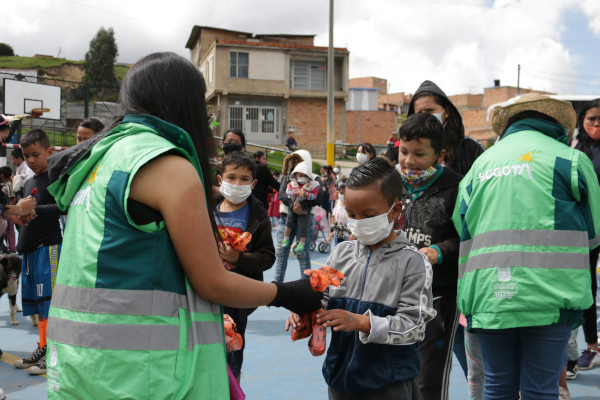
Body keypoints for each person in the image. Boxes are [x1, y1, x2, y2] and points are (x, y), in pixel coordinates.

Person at [43, 52, 323, 399]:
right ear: (185, 105)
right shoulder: (164, 163)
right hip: (142, 374)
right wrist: (289, 293)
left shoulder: (100, 160)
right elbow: (212, 283)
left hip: (80, 364)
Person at [452, 93, 600, 399]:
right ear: (559, 125)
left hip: (488, 293)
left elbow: (461, 224)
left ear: (509, 126)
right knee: (541, 390)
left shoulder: (481, 164)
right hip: (551, 294)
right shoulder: (570, 159)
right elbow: (594, 232)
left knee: (496, 386)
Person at [286, 158, 436, 399]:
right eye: (352, 214)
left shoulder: (413, 262)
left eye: (369, 215)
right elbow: (321, 296)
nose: (359, 222)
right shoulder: (340, 253)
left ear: (395, 211)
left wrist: (362, 323)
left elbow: (414, 326)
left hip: (388, 385)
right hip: (340, 378)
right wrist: (304, 310)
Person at [397, 113, 462, 400]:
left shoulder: (456, 187)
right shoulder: (390, 183)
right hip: (393, 295)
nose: (409, 161)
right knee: (393, 374)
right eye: (403, 151)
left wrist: (440, 251)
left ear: (440, 154)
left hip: (438, 298)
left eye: (419, 154)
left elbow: (471, 239)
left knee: (427, 380)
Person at [215, 151, 276, 381]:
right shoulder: (206, 211)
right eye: (231, 178)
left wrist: (239, 259)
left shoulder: (257, 216)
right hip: (204, 297)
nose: (236, 183)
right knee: (204, 352)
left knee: (232, 356)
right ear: (220, 180)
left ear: (254, 184)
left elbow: (268, 257)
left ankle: (233, 391)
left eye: (244, 179)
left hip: (236, 301)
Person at [12, 129, 67, 376]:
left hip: (50, 247)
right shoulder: (28, 182)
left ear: (49, 151)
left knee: (51, 304)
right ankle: (43, 347)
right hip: (30, 251)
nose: (31, 160)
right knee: (37, 304)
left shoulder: (57, 179)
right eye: (26, 156)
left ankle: (55, 352)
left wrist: (37, 211)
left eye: (35, 154)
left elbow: (64, 206)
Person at [568, 98, 600, 375]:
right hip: (585, 230)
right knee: (587, 285)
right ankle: (592, 346)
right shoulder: (574, 148)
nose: (597, 125)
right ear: (582, 121)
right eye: (592, 119)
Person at [408, 80, 484, 175]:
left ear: (446, 111)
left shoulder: (471, 148)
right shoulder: (407, 153)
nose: (425, 117)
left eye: (430, 110)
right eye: (419, 113)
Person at [274, 150, 322, 282]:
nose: (296, 165)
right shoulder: (288, 178)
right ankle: (277, 284)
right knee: (281, 253)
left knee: (302, 254)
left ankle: (306, 285)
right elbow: (281, 195)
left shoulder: (315, 178)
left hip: (306, 218)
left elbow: (320, 198)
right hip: (286, 218)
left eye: (299, 161)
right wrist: (293, 205)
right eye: (293, 162)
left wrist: (304, 205)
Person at [282, 161, 319, 253]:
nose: (302, 178)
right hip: (293, 207)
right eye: (300, 175)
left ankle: (301, 244)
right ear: (295, 176)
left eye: (305, 176)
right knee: (289, 222)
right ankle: (286, 238)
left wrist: (307, 194)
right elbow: (288, 192)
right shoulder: (292, 183)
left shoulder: (312, 185)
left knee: (304, 226)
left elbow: (315, 196)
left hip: (305, 210)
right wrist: (296, 193)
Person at [0, 166, 16, 253]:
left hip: (7, 211)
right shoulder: (4, 185)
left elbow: (13, 198)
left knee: (10, 230)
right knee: (6, 231)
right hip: (4, 211)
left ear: (2, 176)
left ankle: (11, 249)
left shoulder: (9, 185)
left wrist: (8, 208)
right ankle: (6, 248)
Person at [328, 182, 349, 246]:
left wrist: (352, 234)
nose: (343, 195)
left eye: (345, 193)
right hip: (337, 233)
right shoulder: (337, 202)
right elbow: (333, 217)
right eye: (341, 193)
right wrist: (332, 232)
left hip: (347, 234)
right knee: (337, 251)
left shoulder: (350, 204)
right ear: (338, 192)